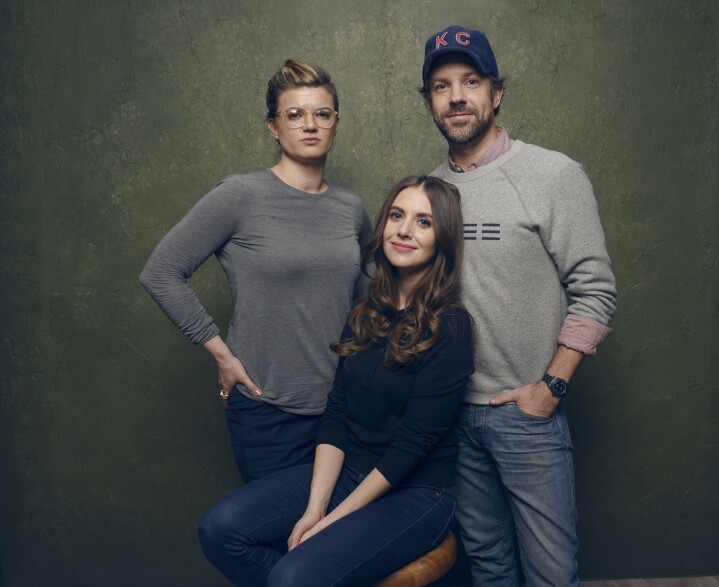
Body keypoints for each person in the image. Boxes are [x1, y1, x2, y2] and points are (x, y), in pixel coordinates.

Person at [197, 175, 474, 587]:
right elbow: (338, 414)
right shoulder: (365, 312)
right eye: (397, 216)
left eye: (423, 222)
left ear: (443, 240)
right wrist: (315, 507)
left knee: (293, 577)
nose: (403, 230)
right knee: (220, 528)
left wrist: (333, 522)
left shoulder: (451, 328)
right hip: (349, 473)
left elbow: (412, 446)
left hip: (417, 493)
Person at [419, 25, 618, 586]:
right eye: (441, 85)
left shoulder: (554, 175)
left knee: (551, 572)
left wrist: (551, 386)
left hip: (527, 415)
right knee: (487, 565)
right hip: (452, 415)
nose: (456, 96)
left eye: (471, 81)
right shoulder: (428, 193)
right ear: (429, 101)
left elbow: (597, 290)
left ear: (496, 92)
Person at [139, 59, 372, 483]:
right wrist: (222, 356)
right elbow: (161, 272)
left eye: (322, 114)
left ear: (336, 123)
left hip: (341, 414)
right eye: (294, 115)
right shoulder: (241, 196)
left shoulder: (351, 209)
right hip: (267, 412)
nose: (310, 125)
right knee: (280, 540)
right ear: (273, 127)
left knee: (332, 543)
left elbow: (370, 300)